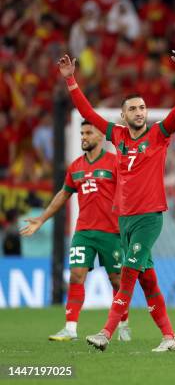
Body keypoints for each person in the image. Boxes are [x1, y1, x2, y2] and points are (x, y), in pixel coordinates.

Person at [57, 49, 175, 352]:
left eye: (142, 108)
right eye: (133, 109)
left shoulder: (158, 135)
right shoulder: (117, 136)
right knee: (148, 281)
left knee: (128, 275)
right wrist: (71, 81)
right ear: (123, 115)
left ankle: (105, 332)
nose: (140, 112)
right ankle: (170, 338)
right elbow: (88, 114)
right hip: (124, 220)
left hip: (148, 217)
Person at [20, 121, 130, 342]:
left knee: (117, 281)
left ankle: (123, 323)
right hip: (84, 232)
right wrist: (41, 219)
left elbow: (130, 192)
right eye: (82, 133)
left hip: (112, 232)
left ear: (101, 136)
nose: (84, 137)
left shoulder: (114, 163)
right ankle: (70, 328)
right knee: (76, 276)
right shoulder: (76, 167)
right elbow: (63, 194)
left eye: (88, 133)